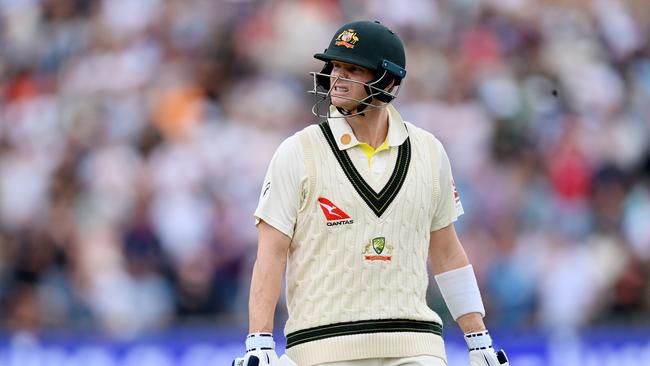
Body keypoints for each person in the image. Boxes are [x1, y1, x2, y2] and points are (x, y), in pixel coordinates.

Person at [234, 20, 509, 366]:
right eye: (335, 66)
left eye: (352, 69)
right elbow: (271, 253)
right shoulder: (298, 151)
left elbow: (447, 252)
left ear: (389, 80)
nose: (337, 78)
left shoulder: (428, 151)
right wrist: (259, 340)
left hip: (415, 345)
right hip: (320, 347)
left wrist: (478, 338)